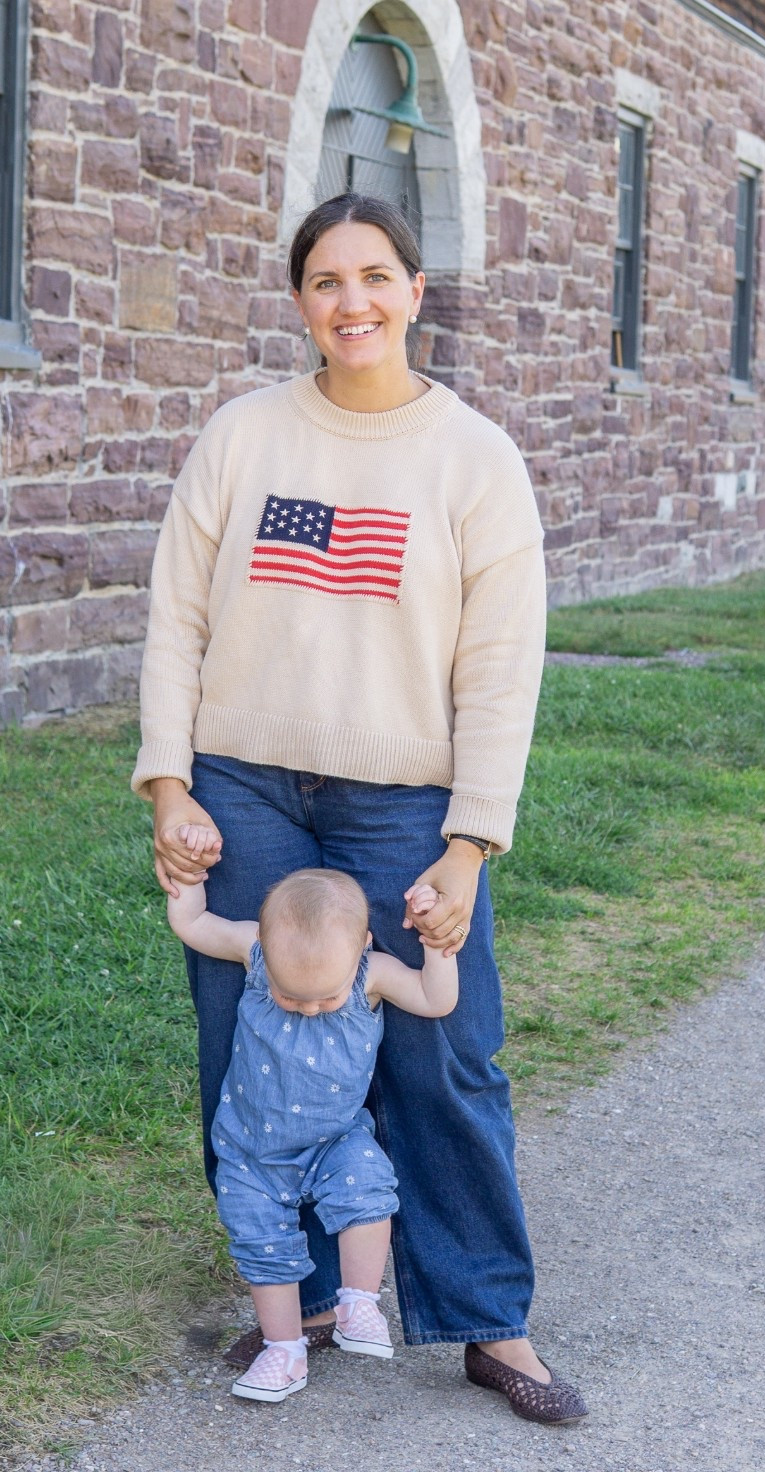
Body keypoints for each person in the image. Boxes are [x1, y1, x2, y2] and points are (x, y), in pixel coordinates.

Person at [134, 189, 587, 1425]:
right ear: (299, 301)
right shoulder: (241, 437)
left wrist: (469, 842)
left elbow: (500, 671)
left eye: (377, 276)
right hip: (246, 789)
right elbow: (178, 617)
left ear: (416, 291)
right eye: (329, 281)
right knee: (254, 1047)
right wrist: (170, 781)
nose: (354, 302)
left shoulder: (474, 459)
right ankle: (316, 1289)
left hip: (405, 803)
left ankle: (489, 1313)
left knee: (444, 1047)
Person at [166, 858, 457, 1402]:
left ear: (363, 947)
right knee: (262, 1247)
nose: (311, 1008)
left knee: (370, 1193)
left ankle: (359, 1302)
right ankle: (284, 1351)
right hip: (250, 1153)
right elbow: (194, 925)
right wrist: (187, 881)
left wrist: (440, 946)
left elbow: (435, 999)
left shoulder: (372, 974)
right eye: (291, 997)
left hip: (336, 1139)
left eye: (327, 998)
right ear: (266, 950)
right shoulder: (255, 952)